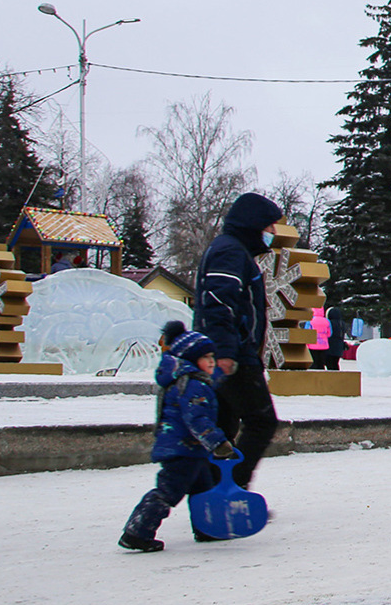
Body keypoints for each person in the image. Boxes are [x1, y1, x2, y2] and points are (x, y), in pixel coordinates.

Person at [195, 192, 282, 489]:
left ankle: (213, 495)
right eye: (269, 226)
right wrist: (225, 352)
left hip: (229, 352)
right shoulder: (230, 252)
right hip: (232, 356)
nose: (272, 233)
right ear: (253, 223)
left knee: (224, 427)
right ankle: (233, 488)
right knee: (261, 421)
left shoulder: (235, 252)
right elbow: (220, 301)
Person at [119, 330, 235, 552]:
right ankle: (137, 532)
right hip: (183, 450)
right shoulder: (193, 385)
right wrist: (217, 442)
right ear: (191, 361)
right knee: (168, 492)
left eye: (213, 357)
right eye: (206, 358)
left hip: (191, 450)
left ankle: (207, 529)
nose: (212, 362)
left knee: (204, 491)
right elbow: (197, 419)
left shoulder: (193, 381)